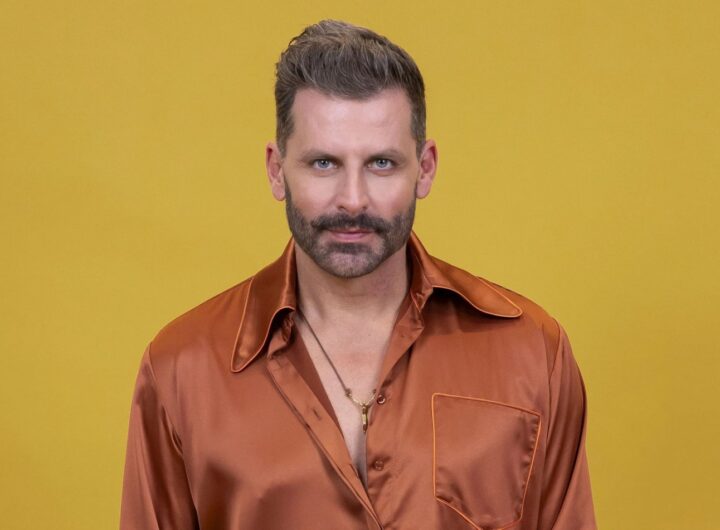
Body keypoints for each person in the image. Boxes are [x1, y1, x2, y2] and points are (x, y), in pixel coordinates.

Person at [120, 19, 596, 530]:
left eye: (382, 163)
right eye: (324, 163)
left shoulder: (530, 351)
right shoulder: (182, 367)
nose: (352, 199)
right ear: (277, 170)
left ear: (425, 168)